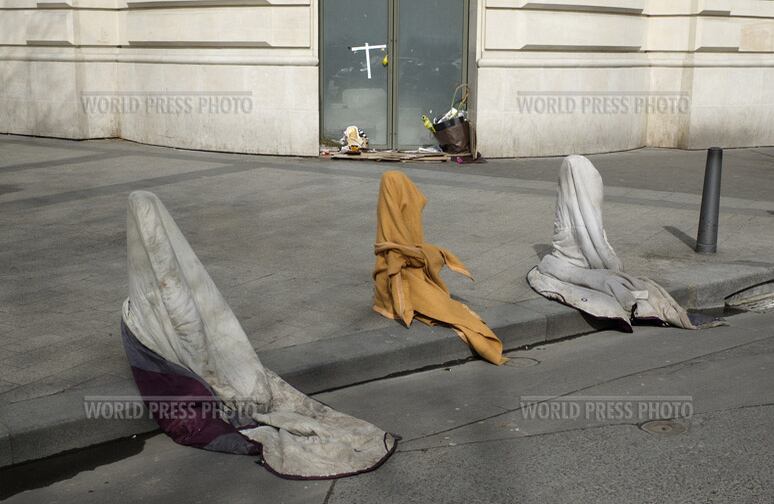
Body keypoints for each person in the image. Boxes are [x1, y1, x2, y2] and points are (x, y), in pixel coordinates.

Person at [122, 191, 397, 479]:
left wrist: (210, 376)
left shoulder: (142, 299)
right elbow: (192, 320)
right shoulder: (174, 275)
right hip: (204, 351)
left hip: (200, 358)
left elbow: (186, 328)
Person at [528, 155, 722, 331]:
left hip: (566, 261)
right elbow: (597, 247)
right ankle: (639, 307)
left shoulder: (568, 202)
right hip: (575, 264)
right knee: (613, 280)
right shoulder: (579, 213)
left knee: (615, 280)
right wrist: (613, 264)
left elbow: (592, 239)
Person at [372, 171, 506, 365]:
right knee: (438, 302)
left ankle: (387, 301)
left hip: (398, 269)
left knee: (440, 307)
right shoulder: (408, 206)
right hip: (411, 265)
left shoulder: (388, 207)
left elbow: (390, 243)